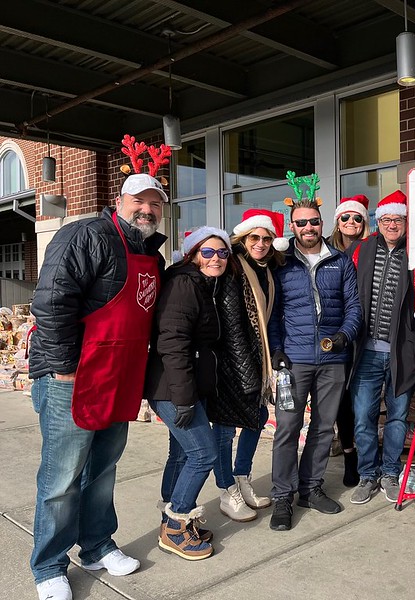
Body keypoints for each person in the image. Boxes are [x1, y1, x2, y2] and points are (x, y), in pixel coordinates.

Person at [29, 165, 168, 600]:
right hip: (73, 377)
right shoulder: (85, 234)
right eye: (139, 200)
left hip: (119, 378)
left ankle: (95, 546)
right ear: (120, 201)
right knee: (60, 480)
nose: (147, 209)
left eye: (155, 204)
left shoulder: (152, 253)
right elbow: (51, 301)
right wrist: (64, 366)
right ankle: (49, 566)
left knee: (102, 471)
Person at [269, 172, 362, 531]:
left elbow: (354, 308)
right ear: (292, 226)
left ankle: (310, 488)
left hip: (332, 361)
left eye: (313, 222)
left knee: (324, 428)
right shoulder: (282, 264)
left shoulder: (340, 261)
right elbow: (275, 312)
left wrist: (343, 336)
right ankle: (282, 497)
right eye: (300, 223)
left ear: (322, 223)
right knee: (288, 428)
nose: (308, 227)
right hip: (293, 361)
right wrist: (277, 350)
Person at [347, 191, 415, 505]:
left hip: (404, 351)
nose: (392, 224)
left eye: (398, 219)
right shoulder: (359, 251)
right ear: (378, 221)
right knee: (363, 417)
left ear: (406, 222)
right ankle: (367, 474)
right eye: (386, 219)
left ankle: (390, 471)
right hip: (365, 351)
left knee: (398, 417)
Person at [144, 227, 232, 561]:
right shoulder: (185, 284)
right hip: (173, 387)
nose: (216, 259)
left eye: (222, 253)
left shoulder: (201, 284)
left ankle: (170, 518)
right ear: (193, 254)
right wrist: (182, 398)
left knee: (181, 455)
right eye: (208, 252)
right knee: (202, 455)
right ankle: (176, 526)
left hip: (183, 386)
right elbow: (172, 344)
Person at [211, 209, 288, 522]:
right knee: (225, 430)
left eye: (266, 238)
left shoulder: (265, 270)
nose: (261, 243)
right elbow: (232, 326)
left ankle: (242, 477)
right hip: (230, 361)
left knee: (256, 419)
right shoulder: (233, 268)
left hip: (257, 360)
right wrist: (245, 371)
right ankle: (225, 488)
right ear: (242, 238)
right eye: (255, 237)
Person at [326, 194, 371, 487]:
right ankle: (349, 453)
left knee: (361, 398)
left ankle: (366, 452)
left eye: (357, 218)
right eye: (346, 217)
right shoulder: (326, 251)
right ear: (337, 222)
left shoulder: (371, 248)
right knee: (340, 398)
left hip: (364, 329)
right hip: (334, 330)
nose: (351, 222)